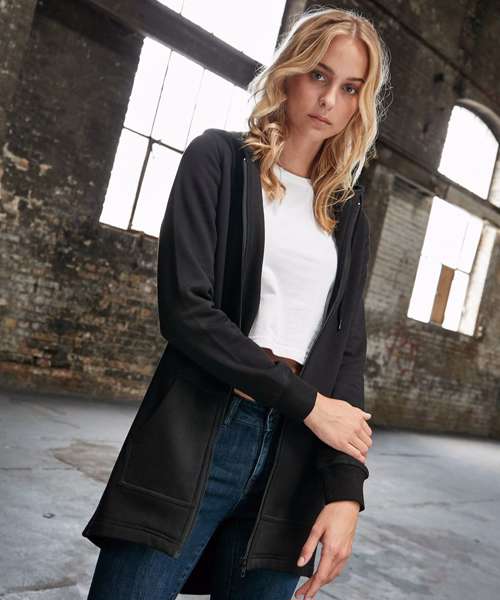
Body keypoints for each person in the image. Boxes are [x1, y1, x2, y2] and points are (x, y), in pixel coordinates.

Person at [83, 6, 390, 600]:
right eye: (319, 75)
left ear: (361, 103)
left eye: (350, 88)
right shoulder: (218, 160)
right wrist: (308, 403)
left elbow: (347, 353)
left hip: (296, 462)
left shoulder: (348, 213)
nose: (329, 99)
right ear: (290, 73)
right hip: (197, 432)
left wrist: (346, 491)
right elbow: (187, 312)